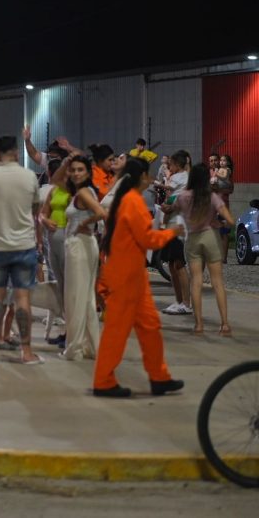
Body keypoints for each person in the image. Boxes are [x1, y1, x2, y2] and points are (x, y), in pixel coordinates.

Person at [93, 157, 183, 398]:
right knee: (117, 331)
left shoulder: (130, 200)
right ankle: (103, 381)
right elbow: (147, 240)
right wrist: (171, 233)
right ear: (141, 176)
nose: (152, 178)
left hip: (133, 277)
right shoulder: (132, 202)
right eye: (149, 174)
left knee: (150, 326)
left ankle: (159, 378)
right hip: (125, 278)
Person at [0, 135, 42, 365]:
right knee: (22, 299)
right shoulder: (29, 176)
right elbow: (35, 207)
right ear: (16, 152)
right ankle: (26, 352)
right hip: (24, 244)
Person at [168, 163, 235, 336]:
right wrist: (219, 223)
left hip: (193, 239)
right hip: (211, 236)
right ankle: (225, 325)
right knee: (217, 282)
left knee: (196, 281)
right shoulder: (212, 197)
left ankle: (198, 325)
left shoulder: (183, 196)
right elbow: (231, 221)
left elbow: (171, 209)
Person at [60, 156, 106, 361]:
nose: (76, 173)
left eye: (81, 169)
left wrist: (84, 223)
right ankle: (89, 346)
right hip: (86, 245)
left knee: (76, 298)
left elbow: (100, 212)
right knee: (86, 298)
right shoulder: (87, 191)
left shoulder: (83, 192)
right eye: (73, 170)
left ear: (88, 172)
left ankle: (75, 348)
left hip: (79, 245)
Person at [38, 158, 71, 348]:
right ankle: (65, 330)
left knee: (70, 287)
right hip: (52, 241)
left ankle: (72, 331)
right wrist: (44, 221)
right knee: (60, 286)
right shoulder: (53, 190)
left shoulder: (76, 192)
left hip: (69, 241)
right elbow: (42, 213)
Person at [159, 150, 191, 315]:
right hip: (172, 224)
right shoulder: (180, 177)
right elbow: (171, 197)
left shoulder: (181, 176)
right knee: (171, 264)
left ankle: (186, 303)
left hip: (178, 225)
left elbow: (169, 190)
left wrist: (154, 182)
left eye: (170, 164)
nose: (168, 167)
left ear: (177, 164)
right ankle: (179, 301)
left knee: (179, 264)